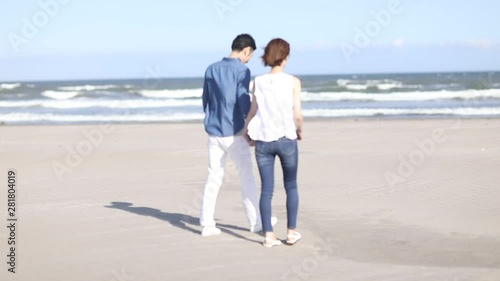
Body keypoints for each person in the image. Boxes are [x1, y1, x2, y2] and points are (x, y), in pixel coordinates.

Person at [200, 34, 276, 237]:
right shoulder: (242, 70)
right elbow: (243, 101)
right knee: (247, 177)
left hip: (213, 131)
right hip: (233, 131)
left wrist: (212, 117)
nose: (249, 59)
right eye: (250, 55)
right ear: (246, 50)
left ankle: (207, 223)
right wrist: (250, 129)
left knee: (213, 177)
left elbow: (205, 99)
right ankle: (256, 222)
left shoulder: (212, 68)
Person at [244, 38, 303, 247]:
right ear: (285, 58)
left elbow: (252, 111)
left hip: (263, 141)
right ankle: (291, 233)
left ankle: (268, 236)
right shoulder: (293, 81)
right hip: (287, 139)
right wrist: (299, 131)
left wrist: (246, 132)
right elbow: (297, 114)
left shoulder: (258, 81)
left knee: (266, 190)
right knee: (291, 186)